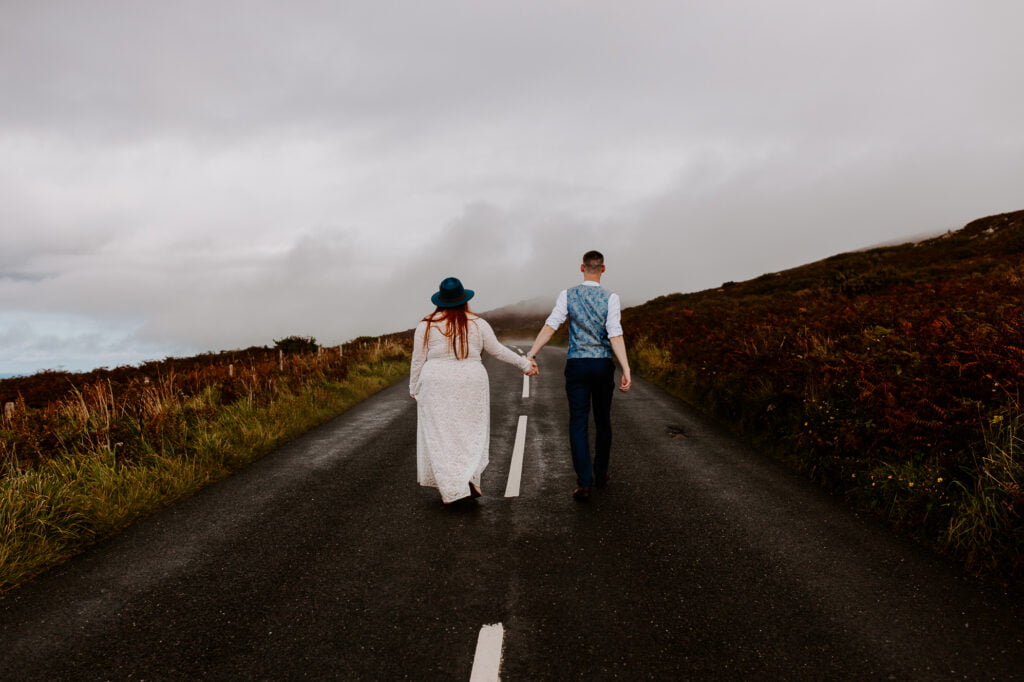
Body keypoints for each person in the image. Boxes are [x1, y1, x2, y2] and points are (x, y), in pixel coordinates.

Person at [410, 277, 538, 504]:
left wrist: (414, 387)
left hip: (436, 381)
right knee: (469, 431)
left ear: (440, 300)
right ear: (464, 300)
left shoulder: (426, 325)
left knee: (442, 434)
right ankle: (469, 477)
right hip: (471, 379)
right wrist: (525, 364)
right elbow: (497, 350)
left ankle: (451, 489)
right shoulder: (477, 323)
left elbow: (418, 360)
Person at [526, 250, 631, 500]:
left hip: (577, 364)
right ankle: (601, 473)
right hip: (603, 364)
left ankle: (584, 482)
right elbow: (614, 332)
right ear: (603, 269)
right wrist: (626, 368)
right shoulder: (611, 298)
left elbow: (552, 324)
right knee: (603, 420)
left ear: (581, 268)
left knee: (578, 421)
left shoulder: (568, 294)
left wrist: (531, 354)